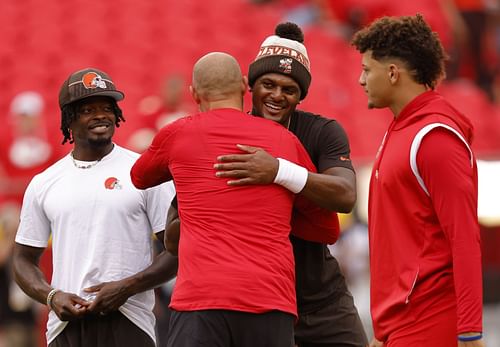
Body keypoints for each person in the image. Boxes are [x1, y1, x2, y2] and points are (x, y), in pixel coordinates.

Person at [130, 52, 340, 347]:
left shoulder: (177, 134)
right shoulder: (284, 141)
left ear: (194, 94)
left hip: (200, 301)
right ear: (244, 86)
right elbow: (327, 229)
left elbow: (139, 177)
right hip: (270, 300)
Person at [213, 22, 368, 347]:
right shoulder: (227, 132)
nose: (277, 96)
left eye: (289, 89)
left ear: (301, 96)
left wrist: (277, 171)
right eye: (268, 84)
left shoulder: (322, 131)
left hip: (321, 298)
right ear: (250, 85)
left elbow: (345, 195)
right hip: (257, 304)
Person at [11, 67, 177, 347]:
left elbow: (176, 250)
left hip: (130, 320)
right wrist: (52, 297)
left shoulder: (146, 172)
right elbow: (23, 260)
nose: (100, 115)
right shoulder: (44, 182)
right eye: (88, 109)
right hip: (65, 325)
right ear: (69, 120)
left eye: (107, 107)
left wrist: (128, 287)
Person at [351, 14, 484, 347]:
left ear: (393, 73)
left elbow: (465, 237)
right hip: (400, 323)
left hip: (431, 321)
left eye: (367, 70)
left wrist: (469, 330)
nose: (360, 80)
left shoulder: (435, 137)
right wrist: (383, 331)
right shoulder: (400, 129)